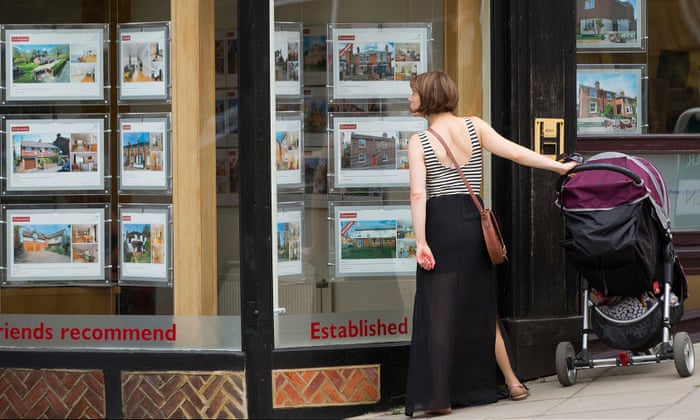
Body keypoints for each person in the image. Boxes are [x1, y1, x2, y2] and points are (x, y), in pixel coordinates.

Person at [404, 70, 578, 417]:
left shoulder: (419, 141)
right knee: (484, 311)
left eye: (413, 93)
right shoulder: (474, 127)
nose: (410, 99)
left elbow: (419, 193)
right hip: (473, 224)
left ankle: (439, 398)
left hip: (440, 226)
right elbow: (515, 153)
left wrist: (421, 241)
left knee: (438, 313)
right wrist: (556, 168)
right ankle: (513, 381)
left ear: (427, 97)